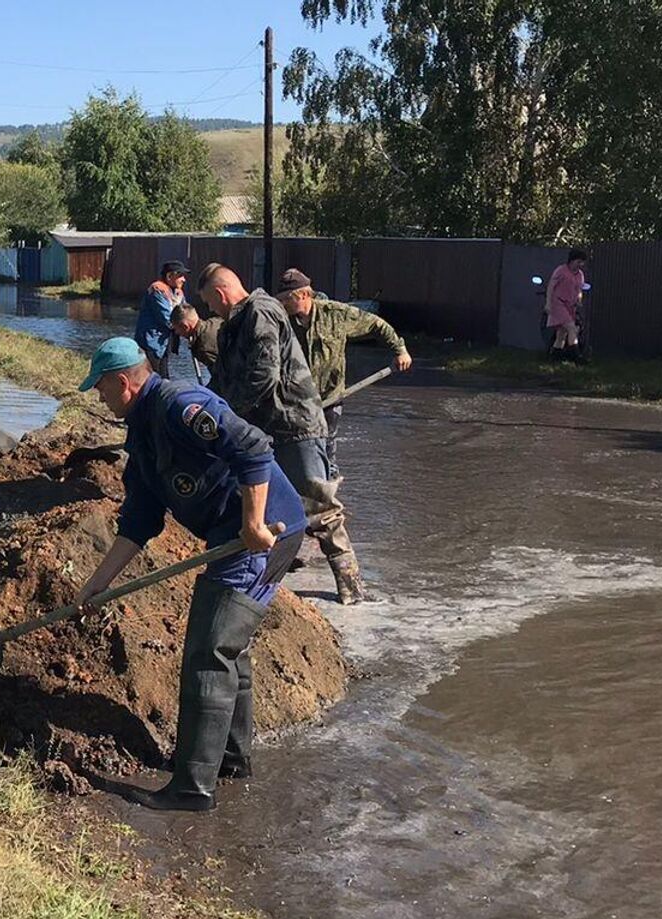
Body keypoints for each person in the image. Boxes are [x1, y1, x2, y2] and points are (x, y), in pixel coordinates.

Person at [75, 337, 307, 812]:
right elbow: (140, 521)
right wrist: (101, 582)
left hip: (264, 533)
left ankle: (192, 788)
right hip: (234, 536)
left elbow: (255, 449)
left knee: (210, 650)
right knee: (227, 647)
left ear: (123, 382)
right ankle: (230, 761)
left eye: (99, 388)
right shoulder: (141, 436)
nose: (98, 397)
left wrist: (252, 524)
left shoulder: (182, 404)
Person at [196, 263, 370, 605]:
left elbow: (264, 374)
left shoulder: (261, 312)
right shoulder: (234, 325)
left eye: (209, 304)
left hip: (295, 426)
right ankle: (275, 583)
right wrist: (202, 409)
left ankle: (353, 590)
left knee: (319, 508)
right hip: (265, 432)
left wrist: (227, 413)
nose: (210, 311)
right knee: (268, 505)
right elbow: (223, 380)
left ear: (219, 293)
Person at [277, 267, 412, 468]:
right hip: (297, 398)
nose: (283, 303)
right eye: (281, 299)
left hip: (330, 396)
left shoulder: (336, 314)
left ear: (304, 294)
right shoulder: (280, 321)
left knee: (328, 445)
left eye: (288, 298)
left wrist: (400, 350)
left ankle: (328, 489)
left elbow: (377, 325)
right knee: (299, 446)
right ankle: (302, 486)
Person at [133, 259, 189, 363]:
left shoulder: (178, 293)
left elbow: (186, 312)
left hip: (165, 341)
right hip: (151, 341)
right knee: (154, 375)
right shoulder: (157, 290)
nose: (184, 280)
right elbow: (166, 318)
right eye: (180, 276)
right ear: (169, 276)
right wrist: (184, 329)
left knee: (164, 375)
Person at [546, 248, 589, 362]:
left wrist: (579, 300)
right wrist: (548, 303)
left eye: (582, 262)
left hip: (570, 305)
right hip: (558, 302)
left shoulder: (580, 275)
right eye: (578, 261)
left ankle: (555, 356)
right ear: (572, 260)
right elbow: (551, 286)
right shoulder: (561, 271)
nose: (580, 264)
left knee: (561, 333)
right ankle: (576, 356)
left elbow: (579, 290)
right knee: (571, 328)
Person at [168, 302, 220, 385]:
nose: (177, 333)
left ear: (185, 326)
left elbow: (221, 374)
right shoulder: (215, 322)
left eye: (176, 329)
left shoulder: (203, 347)